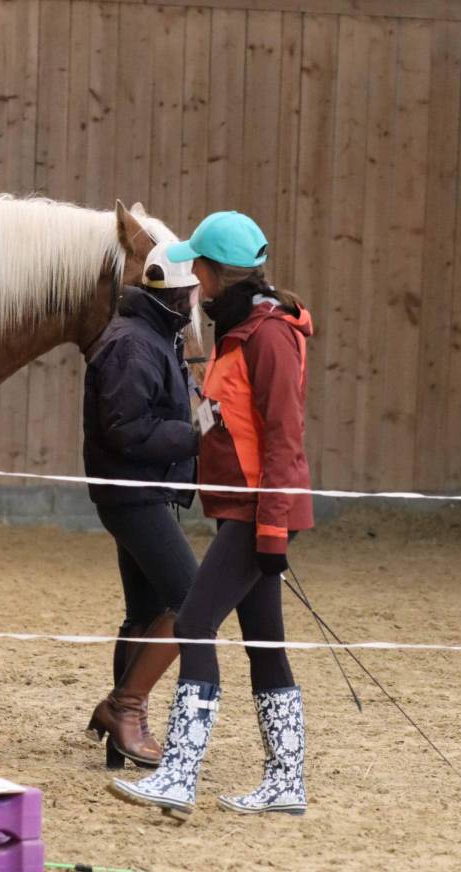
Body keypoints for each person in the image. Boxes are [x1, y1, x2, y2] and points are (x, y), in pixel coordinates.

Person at [109, 211, 314, 817]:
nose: (192, 276)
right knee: (264, 642)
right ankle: (286, 781)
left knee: (195, 623)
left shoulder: (270, 336)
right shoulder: (240, 333)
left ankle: (179, 773)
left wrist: (273, 528)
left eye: (199, 265)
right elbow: (228, 421)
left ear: (220, 274)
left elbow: (283, 438)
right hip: (240, 508)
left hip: (258, 512)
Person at [83, 242, 201, 769]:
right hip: (135, 495)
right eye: (193, 287)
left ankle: (124, 725)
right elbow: (127, 430)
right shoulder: (136, 344)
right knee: (192, 601)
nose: (199, 295)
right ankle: (124, 708)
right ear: (176, 292)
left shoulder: (153, 336)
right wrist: (197, 435)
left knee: (146, 611)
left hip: (137, 492)